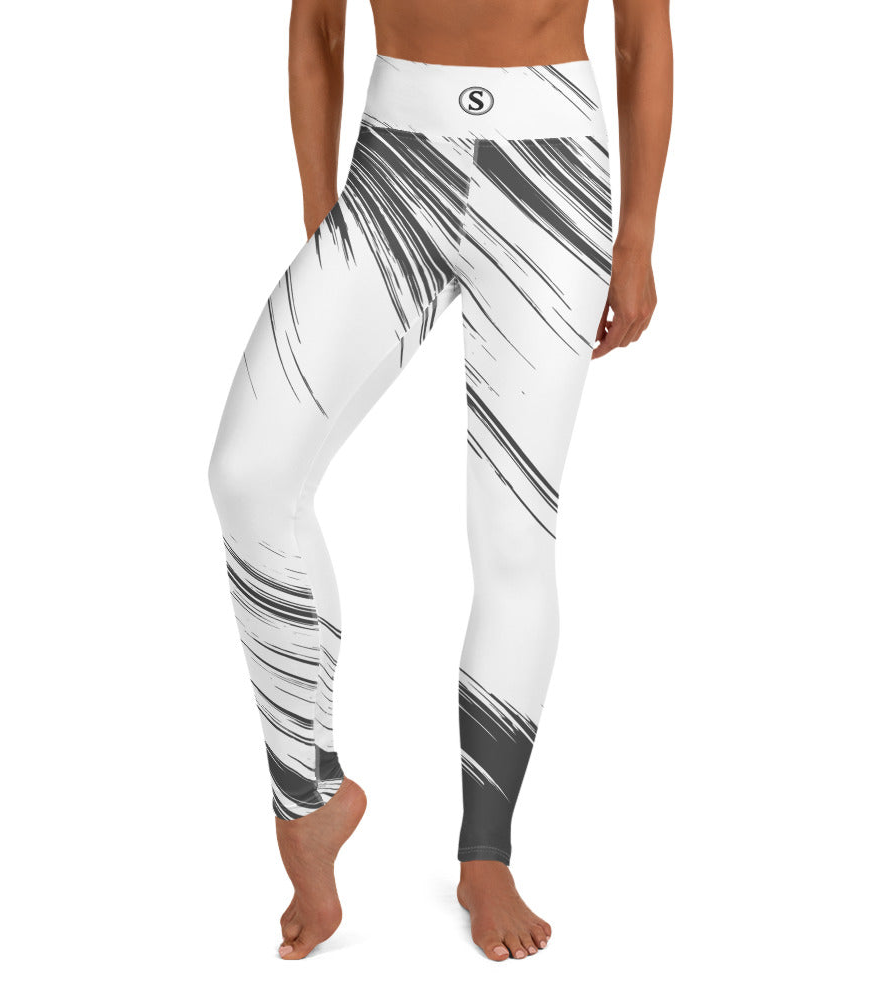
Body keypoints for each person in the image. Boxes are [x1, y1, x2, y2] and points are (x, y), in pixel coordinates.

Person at [208, 0, 672, 963]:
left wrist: (636, 239)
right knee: (249, 475)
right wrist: (322, 216)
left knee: (513, 534)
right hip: (394, 167)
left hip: (551, 166)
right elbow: (317, 27)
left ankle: (485, 855)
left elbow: (640, 35)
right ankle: (307, 795)